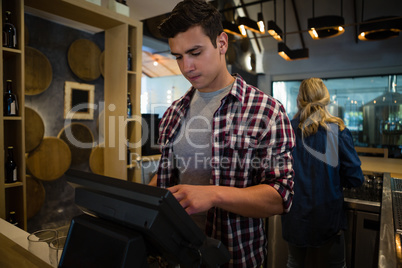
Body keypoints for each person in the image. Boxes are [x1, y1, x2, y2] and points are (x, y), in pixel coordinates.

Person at [148, 0, 295, 267]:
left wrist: (214, 194)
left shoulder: (266, 111)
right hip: (174, 255)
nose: (186, 67)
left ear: (222, 43)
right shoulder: (172, 113)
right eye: (179, 56)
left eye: (195, 52)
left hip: (234, 259)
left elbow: (280, 196)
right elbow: (171, 174)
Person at [281, 78, 364, 268]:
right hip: (328, 218)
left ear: (299, 100)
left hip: (294, 216)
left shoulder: (287, 131)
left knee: (294, 263)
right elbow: (355, 178)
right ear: (326, 99)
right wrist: (332, 178)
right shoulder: (337, 132)